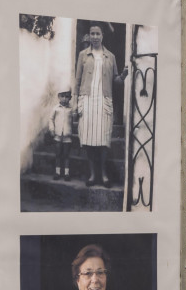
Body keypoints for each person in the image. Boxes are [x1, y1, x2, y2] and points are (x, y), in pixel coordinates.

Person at [74, 24, 127, 187]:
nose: (95, 36)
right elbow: (77, 81)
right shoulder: (83, 55)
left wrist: (124, 76)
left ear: (102, 35)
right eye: (92, 34)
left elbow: (116, 80)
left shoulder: (110, 56)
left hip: (104, 101)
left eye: (97, 33)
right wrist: (76, 104)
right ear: (89, 36)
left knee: (104, 140)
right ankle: (92, 174)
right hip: (87, 100)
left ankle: (103, 174)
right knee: (88, 139)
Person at [49, 90, 73, 181]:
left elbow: (73, 120)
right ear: (58, 97)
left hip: (67, 135)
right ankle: (57, 172)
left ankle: (66, 173)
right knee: (58, 154)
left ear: (70, 98)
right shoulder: (56, 108)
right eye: (62, 96)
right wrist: (52, 129)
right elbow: (51, 119)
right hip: (58, 135)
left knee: (66, 154)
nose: (64, 99)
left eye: (67, 97)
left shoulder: (71, 109)